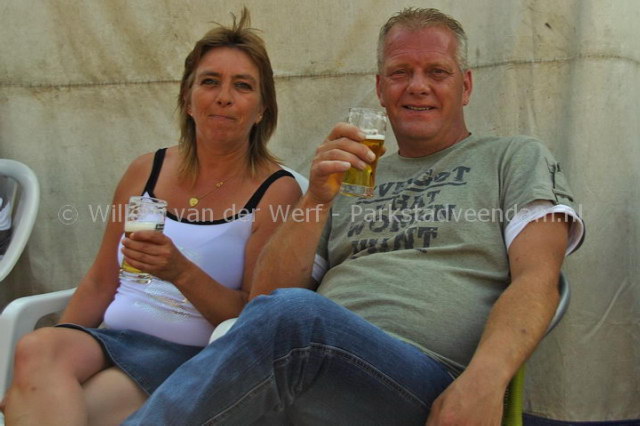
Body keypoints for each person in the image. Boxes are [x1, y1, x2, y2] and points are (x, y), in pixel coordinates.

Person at [123, 7, 585, 425]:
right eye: (400, 72)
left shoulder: (512, 158)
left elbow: (537, 279)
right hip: (315, 366)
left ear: (465, 86)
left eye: (437, 72)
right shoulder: (350, 177)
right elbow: (264, 301)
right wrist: (315, 199)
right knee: (281, 321)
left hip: (424, 380)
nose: (417, 85)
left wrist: (485, 380)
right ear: (381, 89)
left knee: (293, 320)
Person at [2, 8, 301, 425]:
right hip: (110, 338)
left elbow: (253, 319)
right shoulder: (147, 169)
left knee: (70, 408)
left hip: (186, 357)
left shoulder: (277, 191)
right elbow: (101, 281)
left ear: (263, 108)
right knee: (35, 350)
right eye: (209, 81)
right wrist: (41, 369)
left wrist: (180, 270)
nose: (224, 97)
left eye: (243, 85)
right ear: (187, 98)